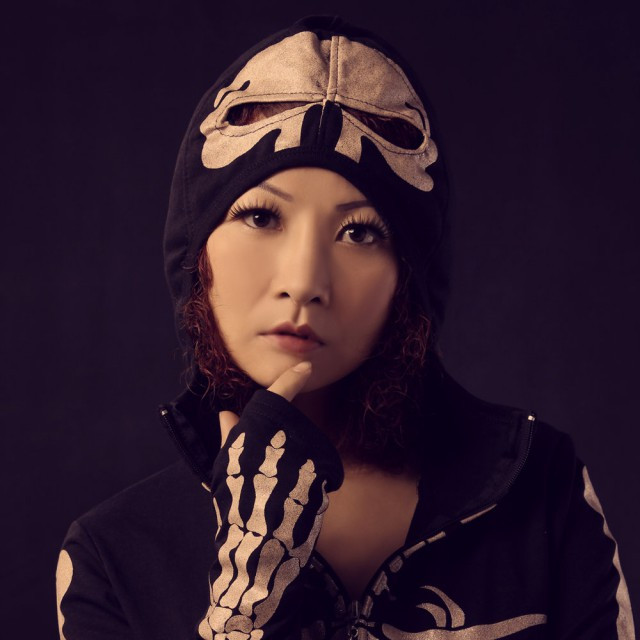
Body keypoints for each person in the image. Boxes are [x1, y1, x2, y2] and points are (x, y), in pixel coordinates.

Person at [55, 14, 635, 640]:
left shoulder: (539, 488)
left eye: (359, 232)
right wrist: (248, 601)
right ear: (195, 251)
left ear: (409, 278)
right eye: (261, 217)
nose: (305, 281)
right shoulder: (113, 558)